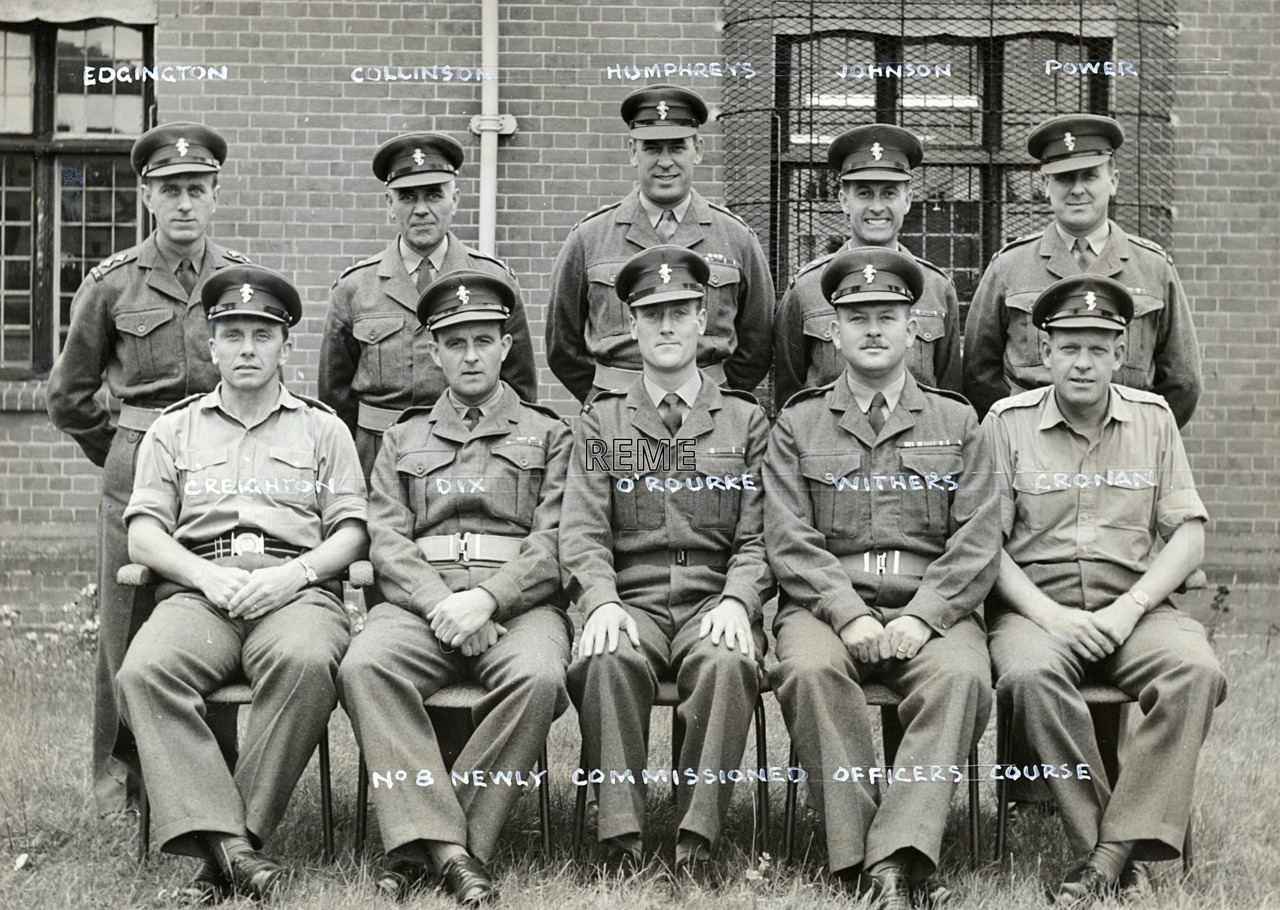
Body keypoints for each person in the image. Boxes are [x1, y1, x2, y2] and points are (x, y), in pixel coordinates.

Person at [114, 264, 368, 903]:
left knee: (309, 662)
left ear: (286, 345)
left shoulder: (323, 428)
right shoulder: (174, 427)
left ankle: (229, 845)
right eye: (233, 334)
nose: (247, 348)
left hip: (298, 589)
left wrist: (294, 575)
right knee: (144, 672)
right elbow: (144, 535)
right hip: (202, 591)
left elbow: (352, 533)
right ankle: (236, 852)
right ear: (212, 344)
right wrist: (204, 575)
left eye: (262, 334)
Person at [765, 248, 1000, 908]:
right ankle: (871, 853)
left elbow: (978, 537)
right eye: (857, 317)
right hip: (825, 606)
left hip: (931, 607)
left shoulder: (957, 422)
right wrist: (850, 614)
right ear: (833, 331)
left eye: (888, 316)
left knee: (960, 678)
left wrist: (924, 615)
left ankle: (891, 858)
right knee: (809, 673)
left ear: (914, 329)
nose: (873, 329)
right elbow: (788, 537)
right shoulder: (800, 423)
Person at [981, 274, 1226, 907]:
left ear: (1121, 353)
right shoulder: (1006, 425)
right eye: (1068, 347)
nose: (1082, 362)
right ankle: (1111, 848)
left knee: (1194, 670)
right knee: (1028, 679)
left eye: (1098, 347)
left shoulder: (1153, 419)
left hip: (1136, 607)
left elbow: (1188, 535)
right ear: (1045, 352)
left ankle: (1105, 855)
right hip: (1036, 612)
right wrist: (1049, 617)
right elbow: (984, 544)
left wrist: (1133, 606)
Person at [337, 270, 573, 906]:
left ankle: (427, 846)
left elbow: (554, 541)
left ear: (505, 348)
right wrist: (444, 603)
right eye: (456, 342)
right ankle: (455, 854)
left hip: (516, 609)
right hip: (424, 607)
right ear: (435, 352)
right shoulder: (402, 437)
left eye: (483, 341)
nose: (471, 355)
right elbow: (385, 537)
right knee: (365, 666)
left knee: (540, 679)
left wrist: (490, 599)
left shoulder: (549, 434)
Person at [46, 121, 250, 812]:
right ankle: (116, 786)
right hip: (137, 468)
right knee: (125, 625)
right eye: (171, 190)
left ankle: (213, 777)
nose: (185, 203)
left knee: (215, 612)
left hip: (224, 467)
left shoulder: (238, 281)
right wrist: (127, 450)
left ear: (215, 195)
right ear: (147, 196)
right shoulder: (112, 285)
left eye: (197, 189)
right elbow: (69, 395)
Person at [560, 245, 774, 877]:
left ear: (704, 319)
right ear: (631, 325)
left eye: (681, 311)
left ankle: (695, 842)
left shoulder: (745, 422)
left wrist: (740, 599)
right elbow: (582, 530)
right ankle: (619, 841)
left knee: (727, 662)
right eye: (653, 314)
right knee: (606, 659)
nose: (668, 326)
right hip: (635, 596)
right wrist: (599, 600)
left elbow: (761, 537)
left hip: (713, 595)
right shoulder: (602, 425)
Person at [320, 131, 538, 474]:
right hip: (377, 457)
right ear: (389, 204)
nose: (421, 209)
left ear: (456, 200)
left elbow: (521, 390)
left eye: (434, 195)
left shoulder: (492, 281)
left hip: (470, 453)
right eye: (407, 197)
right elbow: (335, 398)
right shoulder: (354, 288)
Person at [963, 114, 1202, 426]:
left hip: (1125, 448)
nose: (1077, 190)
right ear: (1045, 185)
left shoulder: (1153, 268)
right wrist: (1018, 432)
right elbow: (977, 373)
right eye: (1064, 178)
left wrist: (1141, 436)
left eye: (1089, 176)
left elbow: (1183, 381)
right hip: (1032, 451)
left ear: (1113, 181)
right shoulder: (1010, 266)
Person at [545, 84, 775, 403]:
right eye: (652, 148)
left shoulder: (736, 237)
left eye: (677, 147)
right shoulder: (589, 237)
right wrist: (607, 402)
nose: (665, 162)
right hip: (617, 408)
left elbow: (758, 344)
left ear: (698, 149)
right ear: (632, 151)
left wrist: (719, 399)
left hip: (710, 407)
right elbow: (562, 347)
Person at [772, 124, 961, 409]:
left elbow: (949, 393)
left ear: (907, 200)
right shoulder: (807, 288)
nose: (876, 207)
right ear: (843, 200)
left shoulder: (936, 287)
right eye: (863, 193)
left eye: (888, 194)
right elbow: (790, 394)